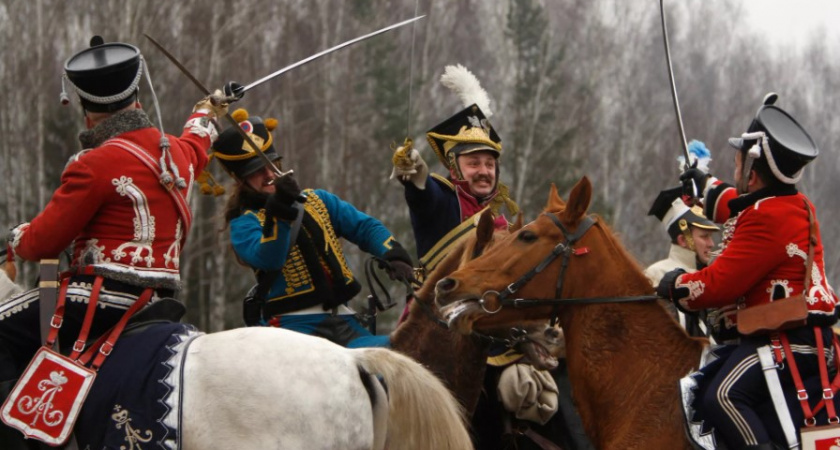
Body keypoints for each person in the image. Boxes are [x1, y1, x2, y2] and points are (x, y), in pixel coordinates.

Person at [0, 37, 223, 446]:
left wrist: (17, 237)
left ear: (85, 107)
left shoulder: (94, 163)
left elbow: (43, 242)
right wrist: (207, 111)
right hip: (153, 299)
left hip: (95, 300)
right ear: (136, 92)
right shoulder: (177, 153)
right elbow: (199, 141)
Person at [657, 94, 839, 449]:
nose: (734, 167)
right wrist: (705, 185)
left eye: (738, 162)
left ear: (752, 173)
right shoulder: (790, 204)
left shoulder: (766, 217)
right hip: (802, 336)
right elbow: (736, 204)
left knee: (721, 396)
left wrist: (676, 285)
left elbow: (717, 285)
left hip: (791, 341)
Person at [212, 108, 414, 348]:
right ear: (241, 180)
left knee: (404, 355)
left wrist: (392, 253)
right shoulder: (243, 223)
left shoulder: (317, 199)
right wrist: (281, 213)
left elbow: (364, 227)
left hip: (345, 320)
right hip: (294, 329)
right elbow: (269, 259)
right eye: (255, 171)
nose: (267, 174)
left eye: (271, 164)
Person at [390, 64, 518, 277]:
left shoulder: (502, 222)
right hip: (436, 302)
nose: (484, 171)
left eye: (489, 164)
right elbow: (423, 189)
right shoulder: (440, 199)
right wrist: (415, 169)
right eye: (474, 163)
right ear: (453, 167)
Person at [645, 184, 719, 336]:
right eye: (704, 236)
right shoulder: (656, 274)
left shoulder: (711, 273)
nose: (711, 244)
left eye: (710, 237)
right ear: (683, 240)